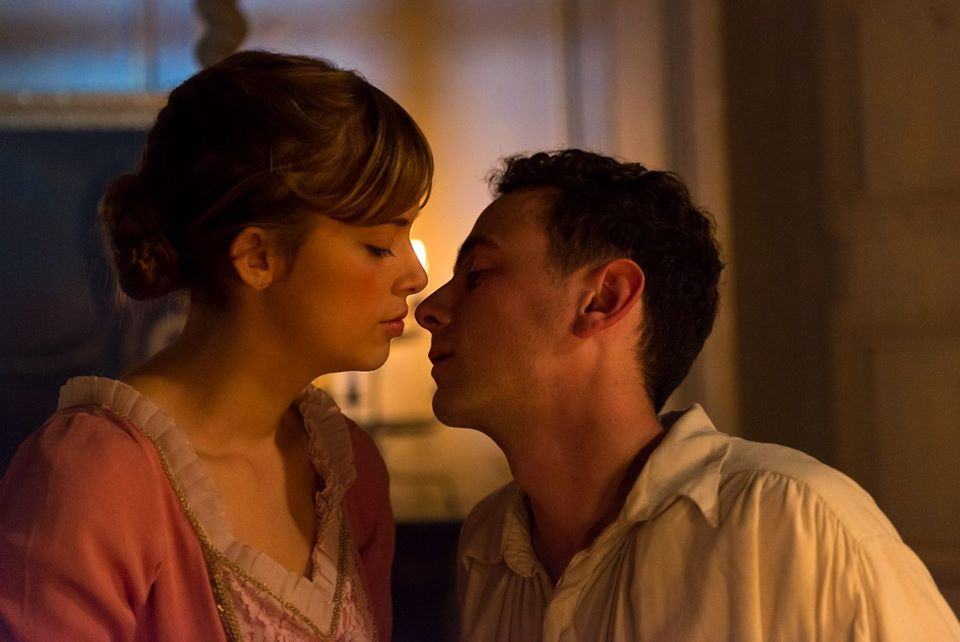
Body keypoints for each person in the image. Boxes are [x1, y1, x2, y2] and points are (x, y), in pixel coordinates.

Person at [414, 149, 960, 641]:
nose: (429, 308)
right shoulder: (487, 548)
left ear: (604, 299)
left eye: (478, 273)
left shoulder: (791, 519)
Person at [0, 50, 432, 641]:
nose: (415, 276)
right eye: (380, 245)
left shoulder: (347, 470)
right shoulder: (94, 475)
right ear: (258, 257)